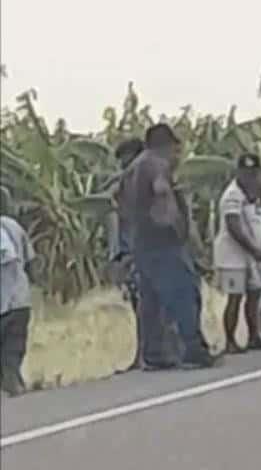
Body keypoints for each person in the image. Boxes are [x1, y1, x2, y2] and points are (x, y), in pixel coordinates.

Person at [127, 123, 220, 369]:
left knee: (152, 300)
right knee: (184, 293)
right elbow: (162, 195)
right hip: (162, 241)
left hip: (142, 241)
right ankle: (193, 348)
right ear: (167, 146)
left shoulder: (135, 166)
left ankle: (154, 353)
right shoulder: (156, 165)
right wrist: (175, 227)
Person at [214, 153, 261, 354]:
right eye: (246, 173)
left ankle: (254, 336)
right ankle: (230, 340)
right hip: (232, 254)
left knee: (254, 294)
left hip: (252, 253)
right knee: (235, 296)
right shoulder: (232, 195)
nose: (251, 178)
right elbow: (234, 228)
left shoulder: (260, 193)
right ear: (239, 173)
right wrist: (254, 250)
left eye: (254, 173)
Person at [108, 138, 145, 371]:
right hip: (129, 253)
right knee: (138, 305)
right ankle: (142, 353)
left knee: (144, 306)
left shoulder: (140, 185)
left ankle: (145, 354)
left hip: (140, 254)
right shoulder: (126, 185)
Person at [1, 207, 34, 397]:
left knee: (8, 346)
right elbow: (30, 260)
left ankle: (11, 380)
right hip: (20, 297)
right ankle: (13, 379)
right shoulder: (14, 226)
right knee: (14, 345)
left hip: (5, 301)